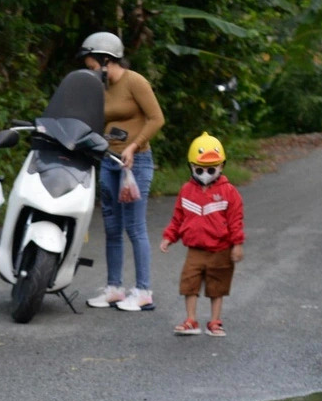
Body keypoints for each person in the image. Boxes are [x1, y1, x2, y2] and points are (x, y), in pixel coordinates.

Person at [77, 32, 164, 313]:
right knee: (112, 227)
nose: (90, 72)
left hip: (135, 162)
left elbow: (156, 118)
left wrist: (134, 146)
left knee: (134, 226)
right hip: (109, 161)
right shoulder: (100, 88)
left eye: (92, 66)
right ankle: (115, 288)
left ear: (106, 61)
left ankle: (143, 291)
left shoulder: (135, 82)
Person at [160, 132, 244, 337]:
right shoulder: (186, 191)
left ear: (222, 166)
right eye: (200, 168)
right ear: (191, 166)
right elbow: (178, 218)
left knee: (217, 287)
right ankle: (191, 320)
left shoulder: (229, 192)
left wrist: (237, 244)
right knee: (189, 284)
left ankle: (215, 321)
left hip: (221, 249)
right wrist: (169, 237)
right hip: (195, 250)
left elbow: (236, 219)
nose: (205, 172)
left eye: (211, 169)